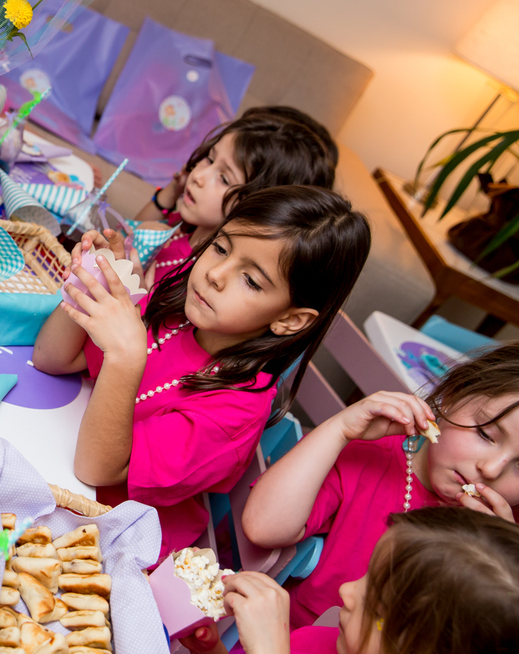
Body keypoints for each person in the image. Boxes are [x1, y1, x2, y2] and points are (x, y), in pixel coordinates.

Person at [33, 186, 371, 559]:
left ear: (289, 319)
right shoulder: (175, 312)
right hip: (57, 464)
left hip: (107, 541)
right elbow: (52, 358)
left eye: (251, 280)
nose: (215, 274)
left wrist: (125, 357)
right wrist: (91, 283)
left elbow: (95, 469)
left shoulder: (236, 411)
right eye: (221, 248)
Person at [240, 341, 519, 628]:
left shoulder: (508, 533)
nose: (491, 469)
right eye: (485, 434)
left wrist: (502, 554)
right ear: (452, 396)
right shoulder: (369, 455)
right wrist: (339, 430)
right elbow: (263, 527)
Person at [183, 508, 519, 654]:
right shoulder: (320, 641)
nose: (346, 591)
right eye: (368, 573)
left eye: (376, 606)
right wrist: (211, 650)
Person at [99, 107, 338, 285]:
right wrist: (171, 192)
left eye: (224, 178)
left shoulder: (209, 272)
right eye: (209, 159)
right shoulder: (189, 225)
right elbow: (130, 232)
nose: (198, 176)